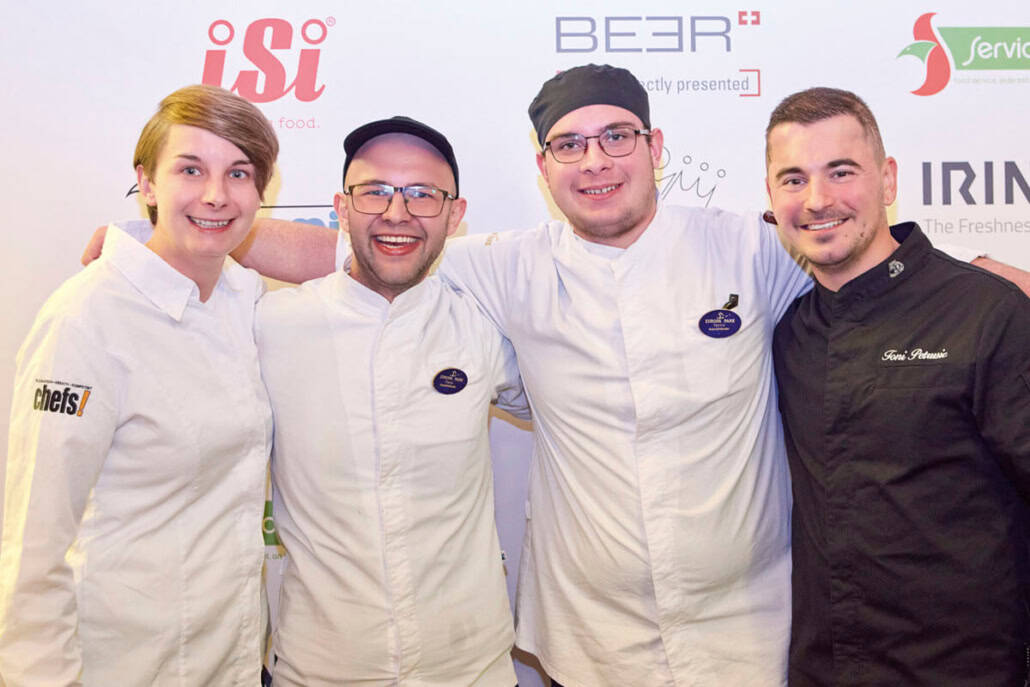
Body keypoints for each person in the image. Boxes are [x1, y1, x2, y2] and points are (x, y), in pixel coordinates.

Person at [0, 85, 278, 685]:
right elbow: (33, 548)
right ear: (147, 184)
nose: (215, 194)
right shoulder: (86, 318)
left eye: (238, 173)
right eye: (190, 169)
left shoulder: (243, 296)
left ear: (261, 192)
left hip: (228, 660)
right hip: (120, 665)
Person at [765, 87, 1030, 686]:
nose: (818, 199)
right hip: (823, 668)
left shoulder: (987, 312)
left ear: (887, 181)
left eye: (841, 172)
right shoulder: (789, 331)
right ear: (772, 197)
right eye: (794, 179)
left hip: (964, 669)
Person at [254, 117, 528, 686]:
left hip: (472, 667)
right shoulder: (272, 326)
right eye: (374, 191)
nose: (397, 213)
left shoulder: (484, 326)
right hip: (319, 669)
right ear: (341, 208)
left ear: (454, 215)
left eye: (423, 194)